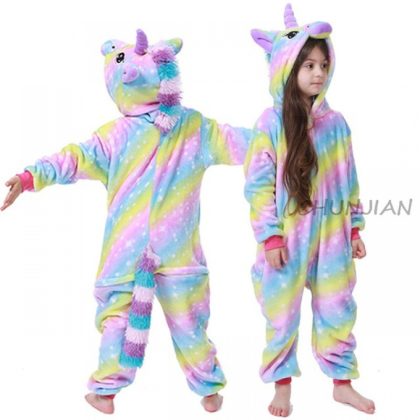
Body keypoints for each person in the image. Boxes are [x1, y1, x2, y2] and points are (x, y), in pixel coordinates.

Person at [1, 28, 252, 414]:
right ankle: (201, 389)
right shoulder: (137, 134)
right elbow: (73, 159)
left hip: (139, 251)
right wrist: (32, 176)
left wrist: (31, 176)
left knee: (153, 320)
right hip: (163, 251)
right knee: (163, 321)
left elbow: (72, 159)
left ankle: (115, 390)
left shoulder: (187, 129)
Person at [244, 4, 375, 416]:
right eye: (308, 65)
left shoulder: (336, 124)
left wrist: (354, 228)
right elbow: (258, 187)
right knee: (281, 312)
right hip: (288, 237)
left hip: (333, 235)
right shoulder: (271, 124)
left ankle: (342, 384)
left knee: (338, 307)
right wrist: (270, 235)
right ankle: (282, 386)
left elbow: (349, 179)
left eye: (323, 65)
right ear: (287, 68)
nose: (318, 73)